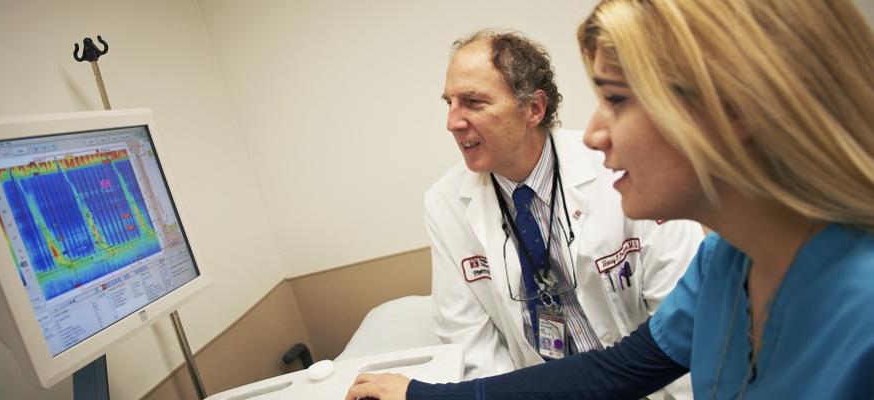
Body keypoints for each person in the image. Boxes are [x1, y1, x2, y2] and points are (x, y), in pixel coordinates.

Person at [345, 0, 874, 399]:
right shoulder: (726, 262)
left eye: (616, 99)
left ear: (734, 108)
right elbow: (617, 369)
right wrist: (423, 394)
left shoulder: (859, 311)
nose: (593, 135)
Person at [425, 29, 703, 398]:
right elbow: (470, 343)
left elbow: (679, 324)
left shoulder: (621, 171)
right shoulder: (445, 204)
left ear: (533, 109)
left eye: (473, 102)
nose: (453, 122)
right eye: (450, 103)